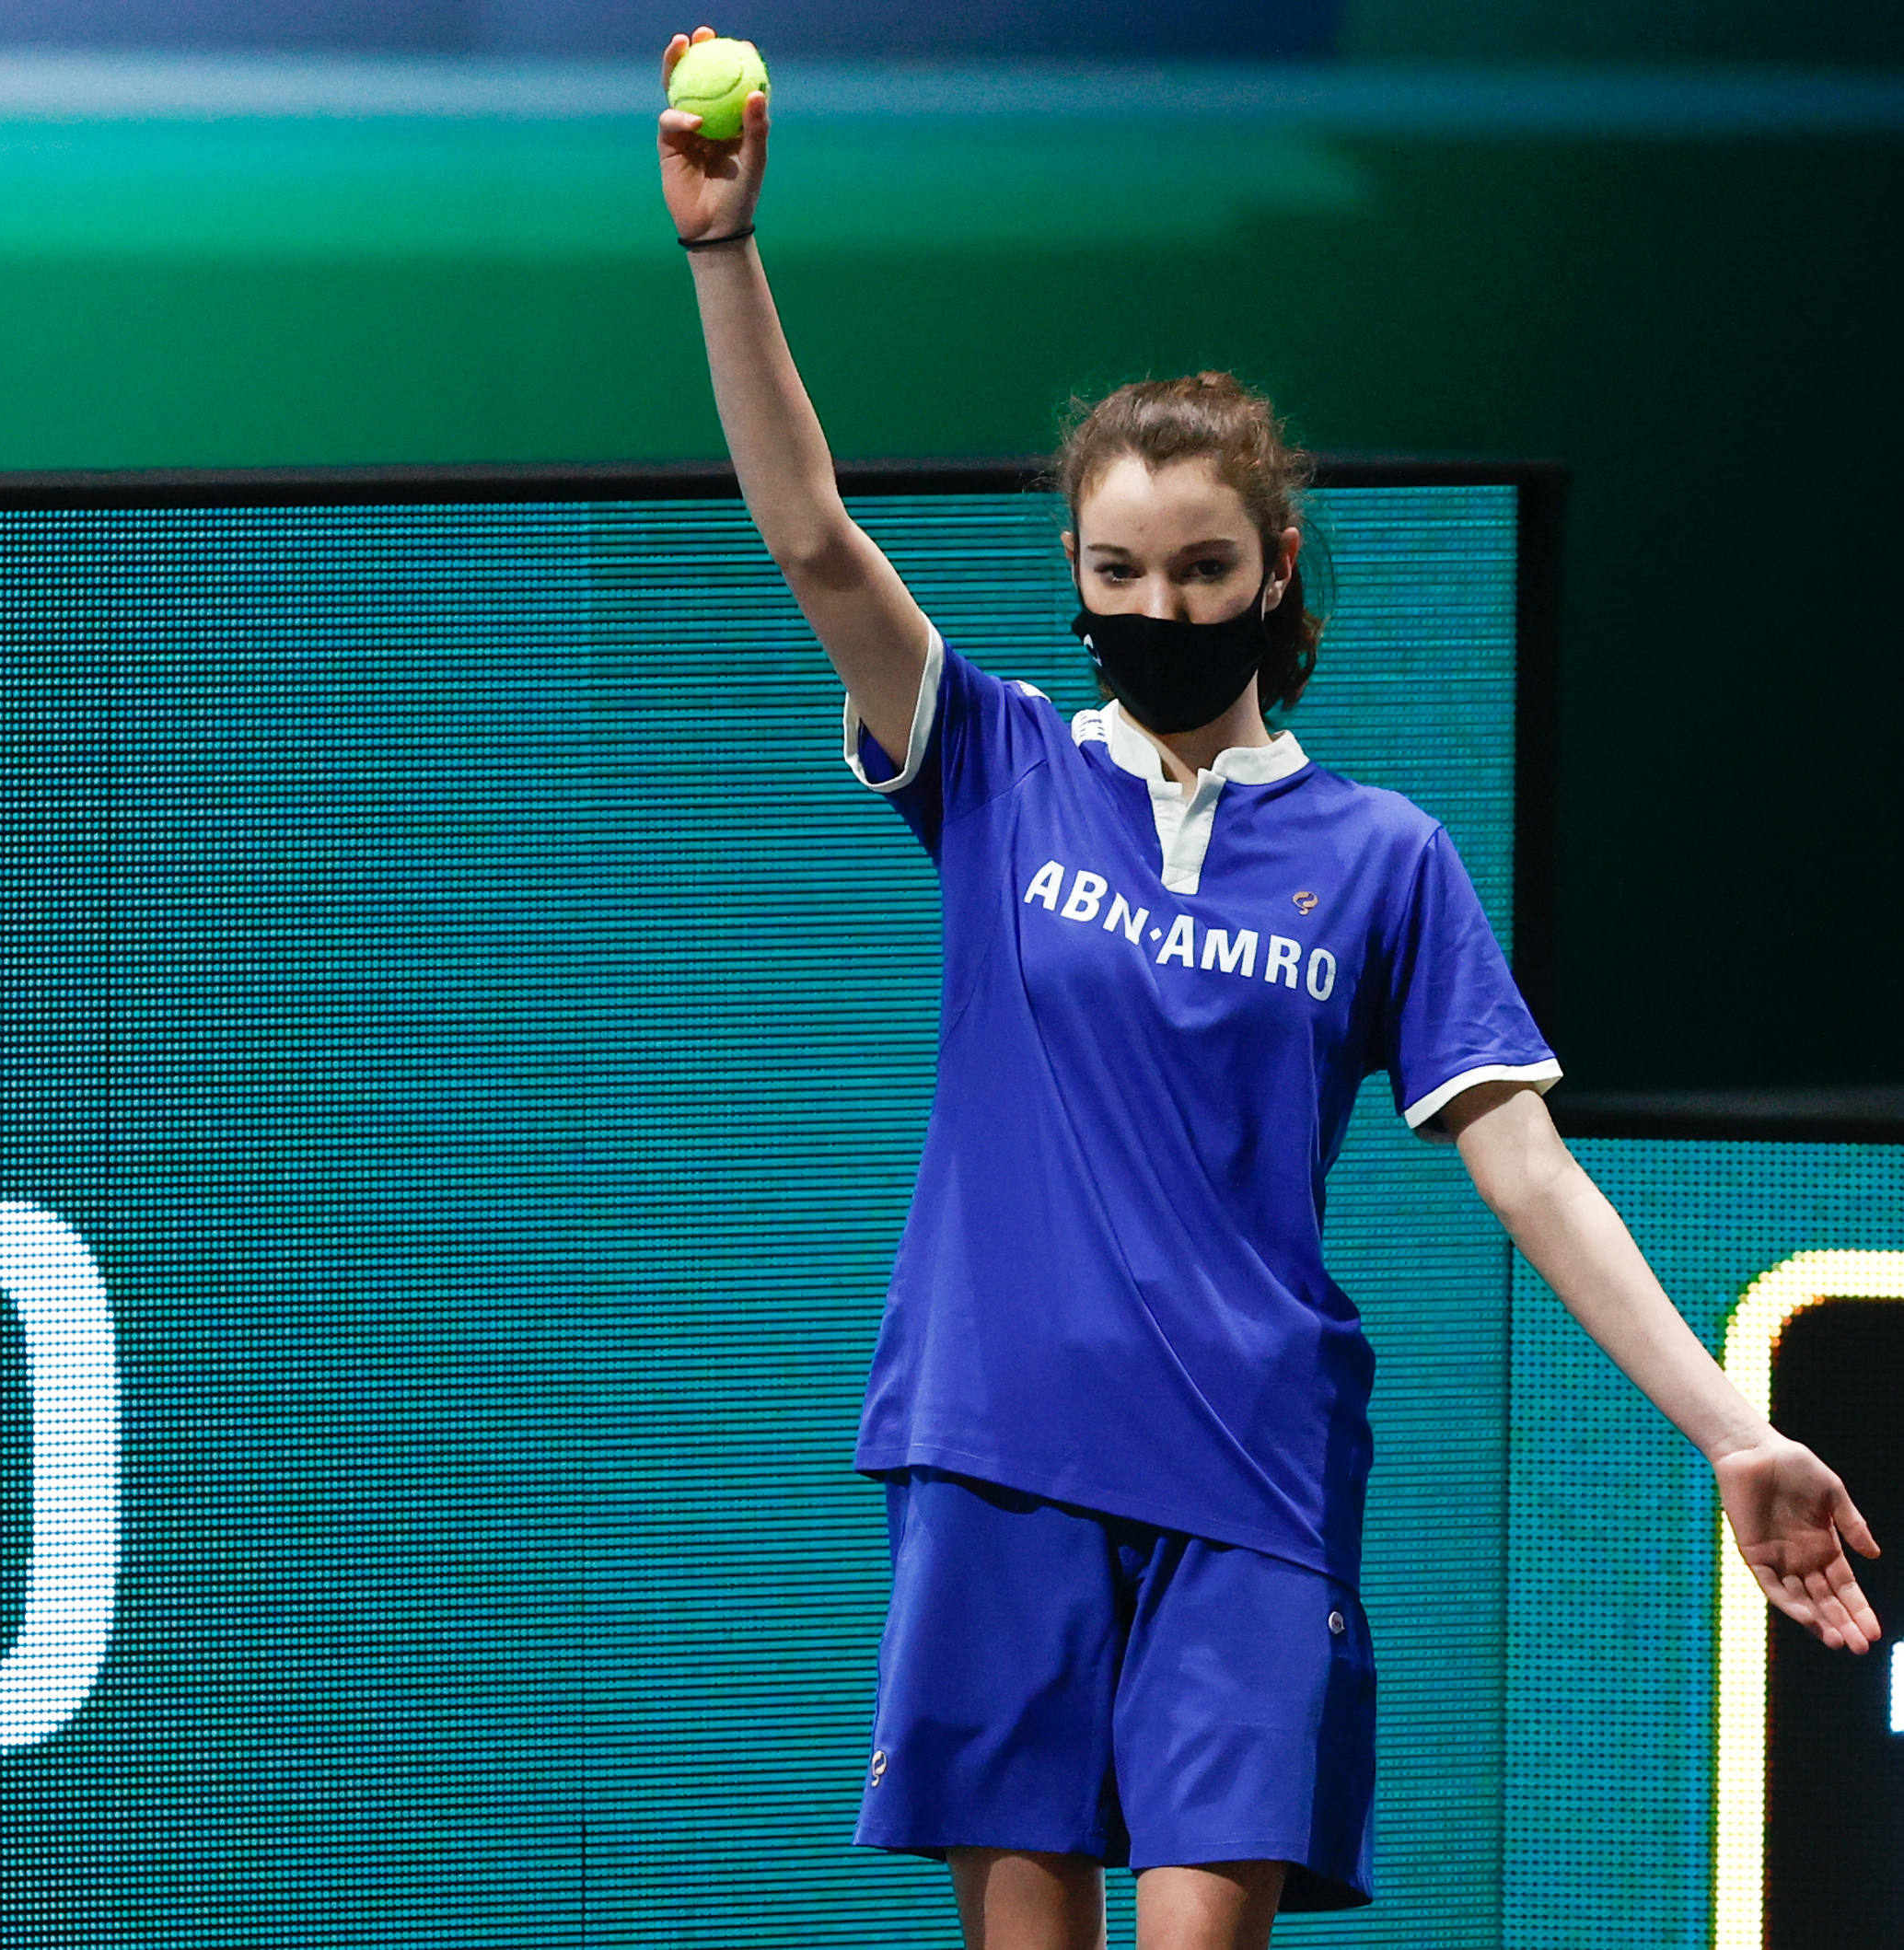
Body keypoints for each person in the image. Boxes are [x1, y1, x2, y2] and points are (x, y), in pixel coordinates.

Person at [655, 28, 1880, 1950]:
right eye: (1116, 572)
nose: (1157, 609)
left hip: (1249, 1461)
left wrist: (1730, 1428)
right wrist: (724, 254)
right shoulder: (991, 768)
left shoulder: (1379, 855)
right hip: (999, 1443)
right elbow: (808, 532)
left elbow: (1528, 1170)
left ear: (1271, 568)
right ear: (1071, 575)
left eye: (1199, 567)